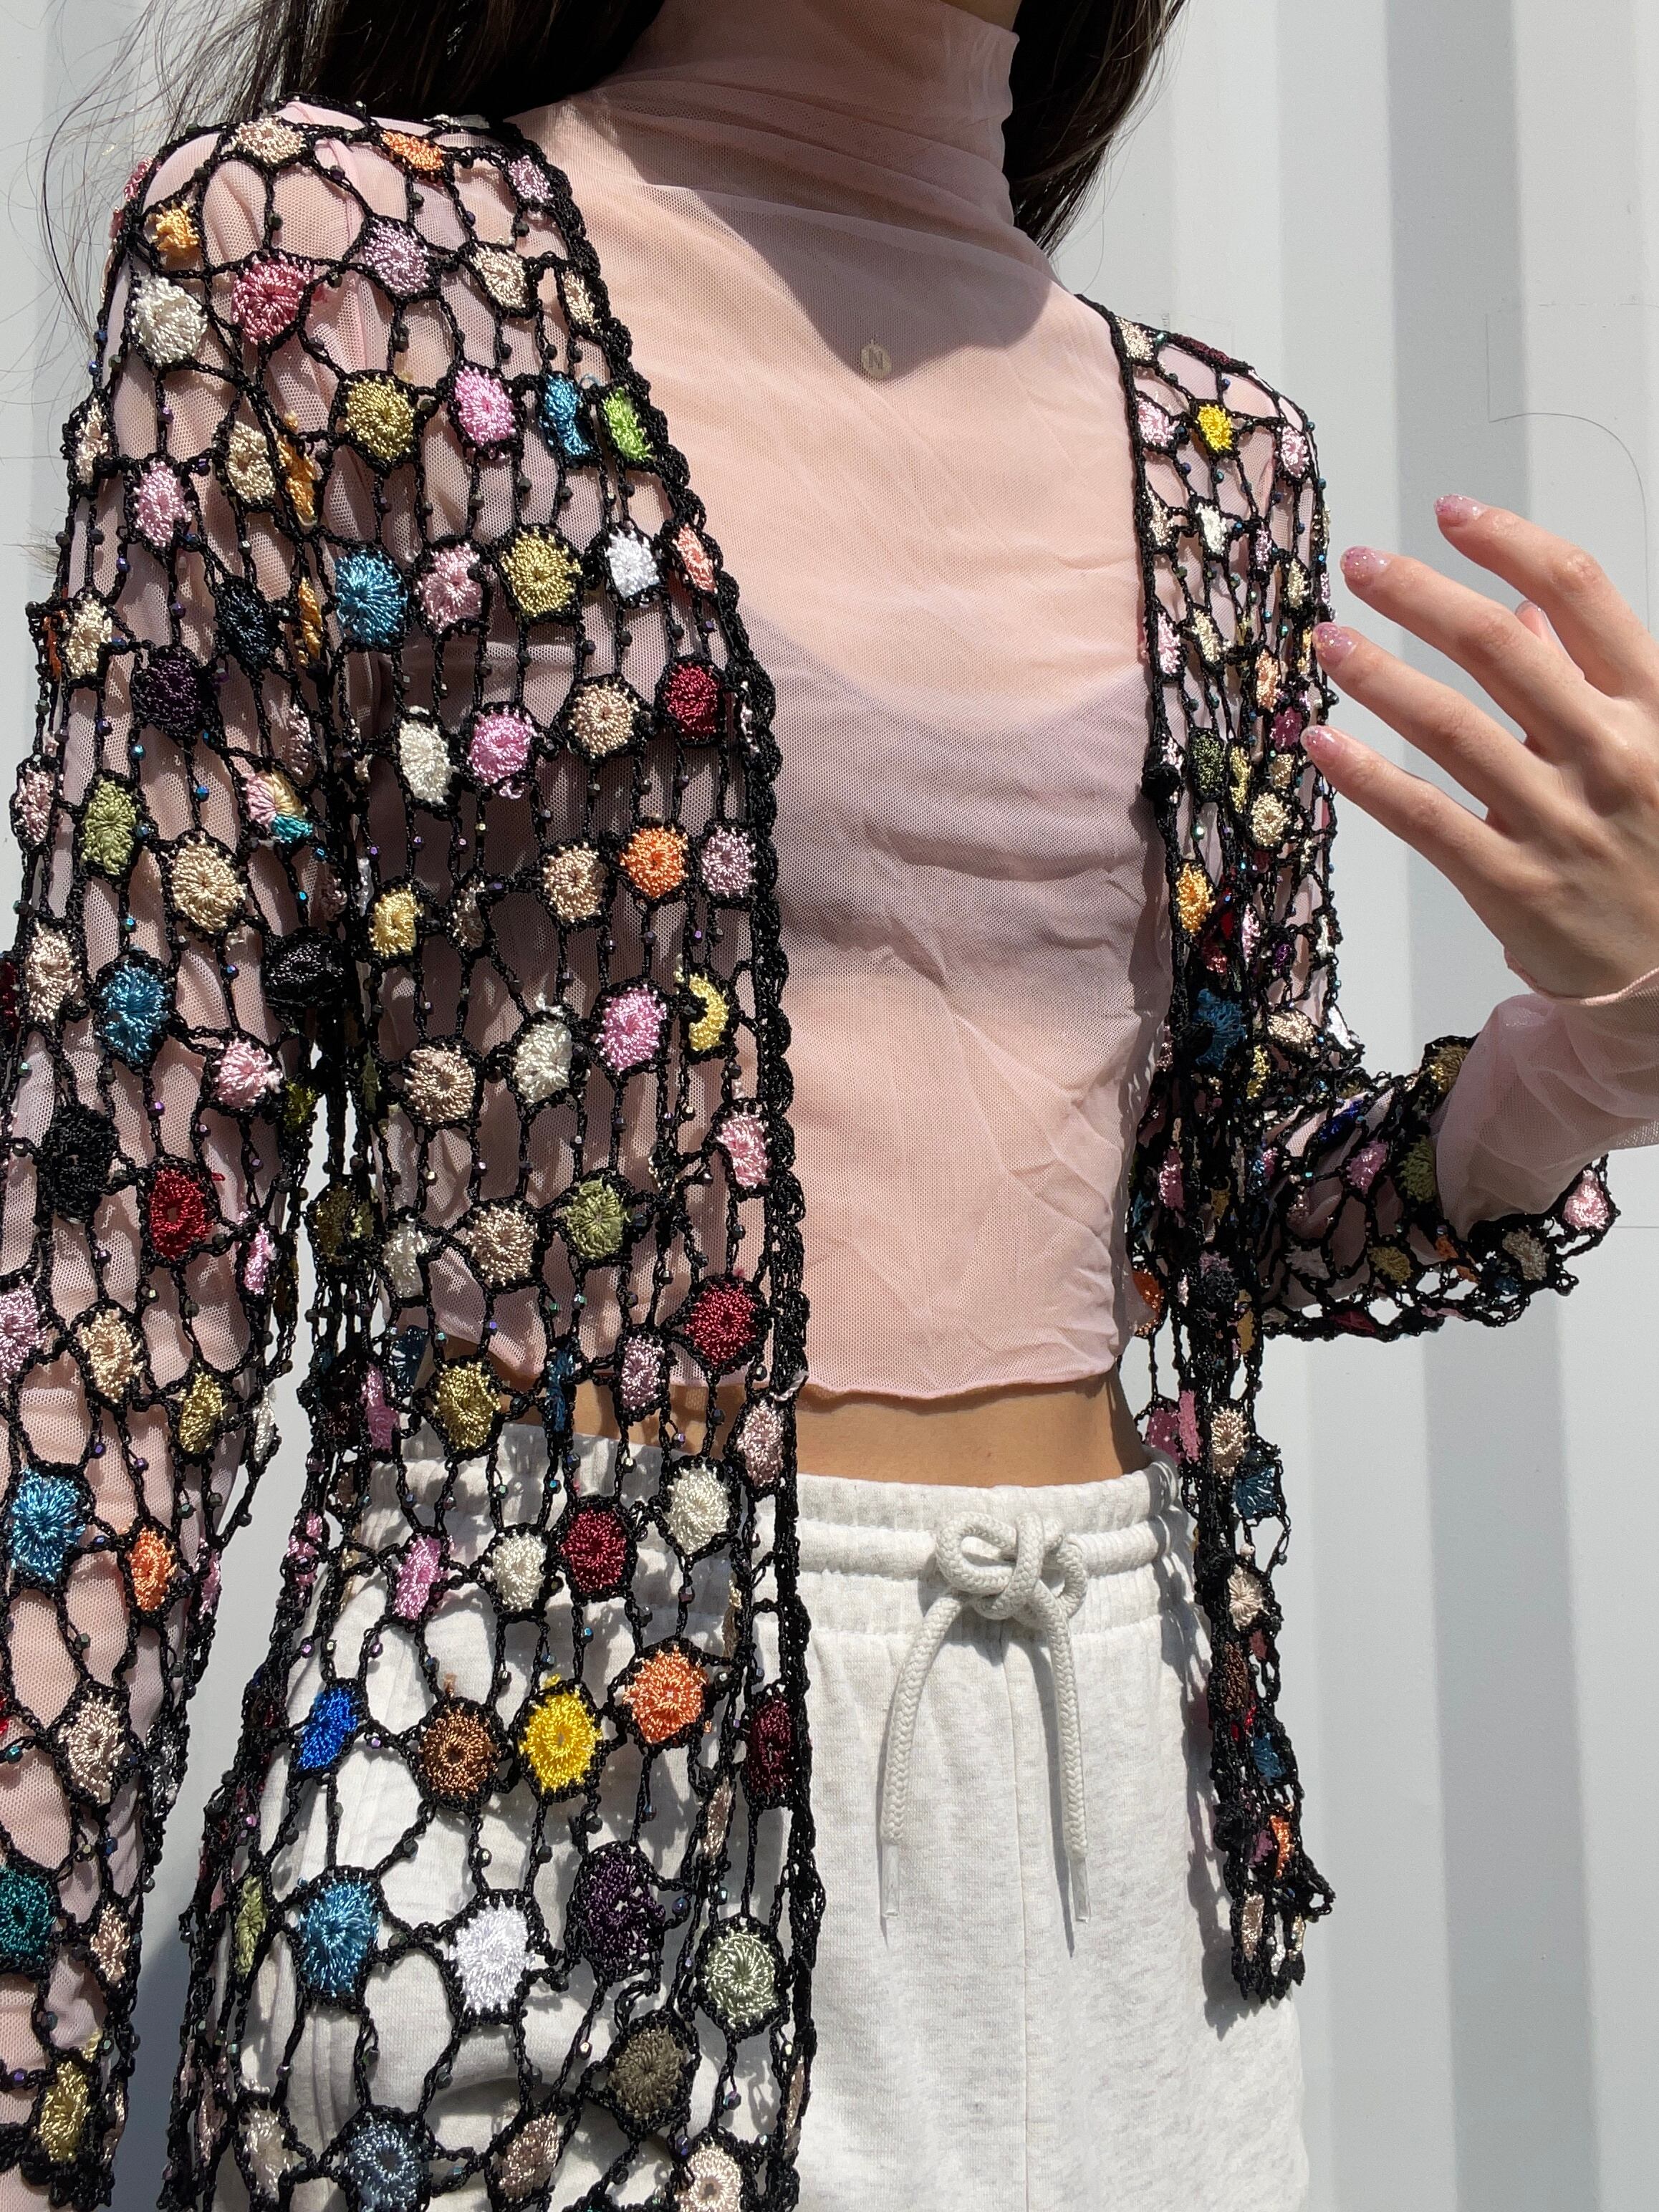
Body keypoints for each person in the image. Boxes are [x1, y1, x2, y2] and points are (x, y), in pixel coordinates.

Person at [1, 1, 1655, 2206]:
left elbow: (1230, 1200)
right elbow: (119, 1285)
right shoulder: (335, 262)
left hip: (1116, 1825)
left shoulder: (1218, 458)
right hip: (525, 1800)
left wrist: (1579, 1060)